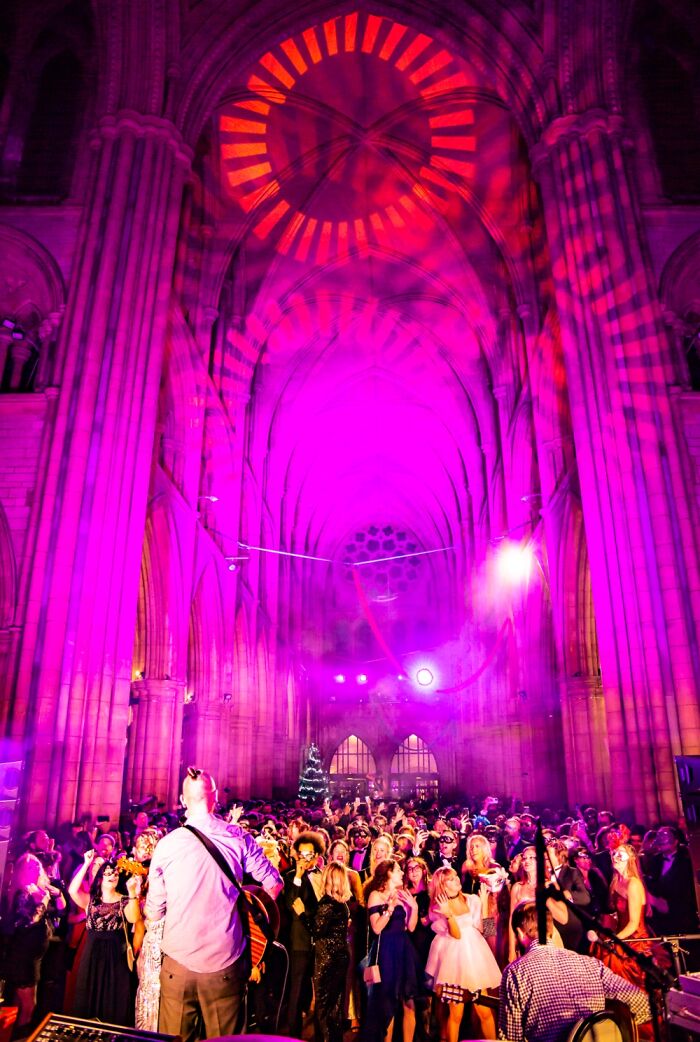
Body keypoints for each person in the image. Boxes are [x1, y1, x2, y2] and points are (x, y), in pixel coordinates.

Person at [144, 767, 283, 1042]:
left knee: (175, 1038)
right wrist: (249, 913)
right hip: (225, 962)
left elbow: (154, 911)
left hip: (178, 964)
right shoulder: (238, 838)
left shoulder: (166, 846)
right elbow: (274, 884)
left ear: (183, 801)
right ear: (216, 798)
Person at [498, 903, 650, 1042]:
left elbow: (511, 1038)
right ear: (551, 929)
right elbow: (642, 1003)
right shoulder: (590, 964)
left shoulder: (515, 972)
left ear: (520, 933)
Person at [426, 867, 501, 1042]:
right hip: (453, 961)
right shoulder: (438, 908)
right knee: (456, 1013)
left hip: (475, 957)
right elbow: (457, 934)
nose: (457, 880)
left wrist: (484, 905)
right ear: (442, 886)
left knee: (484, 1010)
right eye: (451, 879)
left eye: (456, 876)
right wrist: (449, 915)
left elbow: (488, 931)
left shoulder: (472, 899)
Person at [68, 850, 141, 1025]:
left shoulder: (124, 899)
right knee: (89, 994)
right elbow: (72, 890)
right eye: (107, 873)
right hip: (92, 955)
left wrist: (132, 893)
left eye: (114, 873)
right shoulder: (91, 901)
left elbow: (133, 919)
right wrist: (86, 864)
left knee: (112, 997)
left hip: (116, 956)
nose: (112, 876)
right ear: (100, 878)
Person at [5, 853, 66, 1027]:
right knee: (29, 1006)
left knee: (18, 1005)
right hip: (24, 957)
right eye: (31, 866)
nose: (37, 868)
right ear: (23, 871)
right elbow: (30, 921)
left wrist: (58, 895)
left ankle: (10, 1034)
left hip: (34, 956)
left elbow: (60, 911)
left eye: (37, 865)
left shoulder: (39, 889)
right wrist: (43, 901)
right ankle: (19, 1036)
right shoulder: (23, 893)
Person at [362, 858, 420, 1042]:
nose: (402, 873)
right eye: (398, 870)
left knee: (408, 1001)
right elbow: (377, 928)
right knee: (387, 1001)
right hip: (387, 951)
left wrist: (414, 908)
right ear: (388, 873)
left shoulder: (403, 894)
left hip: (403, 949)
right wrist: (390, 908)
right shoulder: (376, 896)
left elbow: (409, 927)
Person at [283, 830, 325, 1037]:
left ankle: (319, 1034)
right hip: (299, 943)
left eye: (309, 854)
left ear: (317, 855)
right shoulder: (290, 877)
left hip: (320, 941)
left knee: (320, 991)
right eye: (301, 854)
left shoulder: (323, 877)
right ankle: (293, 1034)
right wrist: (298, 876)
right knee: (296, 989)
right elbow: (291, 905)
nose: (305, 858)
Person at [309, 861, 352, 1042]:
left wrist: (304, 914)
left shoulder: (327, 904)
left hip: (327, 958)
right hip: (340, 956)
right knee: (335, 1003)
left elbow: (317, 931)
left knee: (324, 1005)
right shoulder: (342, 904)